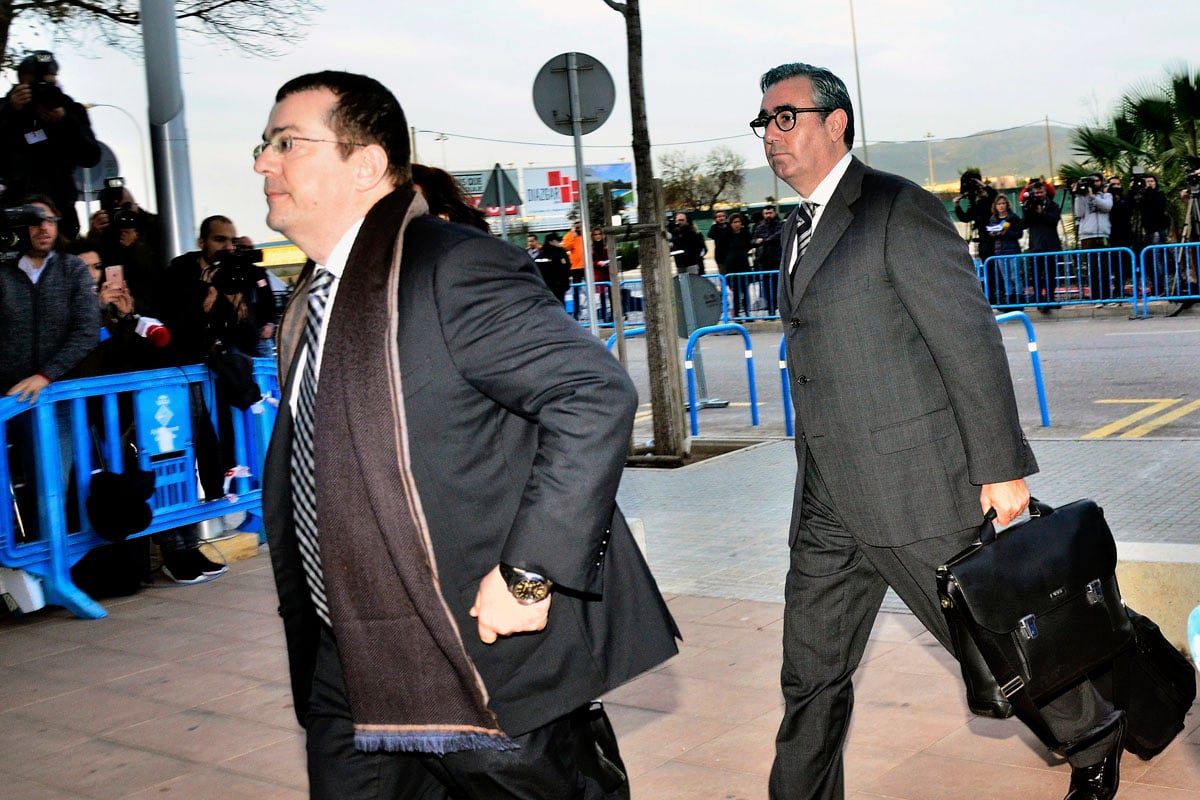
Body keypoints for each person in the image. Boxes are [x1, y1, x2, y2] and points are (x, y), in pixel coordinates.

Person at [254, 70, 678, 799]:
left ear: (366, 163)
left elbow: (593, 394)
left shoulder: (449, 267)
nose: (264, 162)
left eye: (287, 143)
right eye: (264, 145)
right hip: (350, 659)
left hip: (475, 657)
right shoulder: (315, 299)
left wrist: (529, 572)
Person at [755, 61, 1124, 800]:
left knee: (997, 649)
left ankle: (1095, 738)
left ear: (837, 123)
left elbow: (968, 341)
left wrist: (1001, 467)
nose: (770, 135)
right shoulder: (794, 230)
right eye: (763, 122)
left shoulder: (897, 208)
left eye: (785, 117)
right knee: (810, 670)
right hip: (828, 498)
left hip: (915, 486)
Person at [1, 198, 99, 538]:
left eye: (50, 220)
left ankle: (52, 569)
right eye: (33, 221)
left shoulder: (71, 268)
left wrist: (45, 376)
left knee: (52, 489)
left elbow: (87, 331)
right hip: (7, 399)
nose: (43, 227)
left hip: (54, 397)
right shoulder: (3, 269)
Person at [0, 51, 100, 238]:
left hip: (59, 209)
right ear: (21, 81)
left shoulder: (69, 110)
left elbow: (91, 156)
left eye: (49, 84)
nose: (43, 90)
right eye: (36, 85)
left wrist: (65, 122)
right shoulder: (5, 110)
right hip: (15, 208)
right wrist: (11, 113)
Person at [1021, 179, 1064, 312]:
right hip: (1036, 245)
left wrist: (1042, 213)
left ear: (1045, 192)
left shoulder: (1053, 205)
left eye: (1041, 192)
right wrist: (1029, 210)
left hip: (1051, 244)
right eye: (1036, 193)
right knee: (1036, 274)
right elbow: (1024, 224)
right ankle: (1039, 299)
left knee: (1050, 274)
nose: (1039, 195)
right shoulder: (1030, 206)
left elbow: (1054, 220)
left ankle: (1050, 298)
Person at [1073, 173, 1115, 304]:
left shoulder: (1106, 195)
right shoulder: (1082, 197)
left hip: (1103, 234)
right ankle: (1096, 297)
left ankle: (1107, 296)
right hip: (1088, 236)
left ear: (1101, 182)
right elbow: (1079, 213)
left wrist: (1092, 197)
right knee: (1093, 268)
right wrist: (1080, 196)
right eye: (1093, 181)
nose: (1095, 183)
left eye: (1097, 181)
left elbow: (1107, 207)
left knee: (1105, 266)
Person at [953, 171, 999, 263]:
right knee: (988, 269)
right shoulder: (977, 206)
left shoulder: (994, 202)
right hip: (984, 243)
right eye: (978, 190)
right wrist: (957, 206)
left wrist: (981, 184)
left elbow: (995, 195)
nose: (980, 191)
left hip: (996, 242)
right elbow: (965, 218)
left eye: (982, 189)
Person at [986, 194, 1024, 305]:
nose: (1001, 206)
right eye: (999, 204)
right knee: (1005, 277)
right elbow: (990, 234)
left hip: (1012, 250)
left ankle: (1019, 299)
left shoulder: (1013, 217)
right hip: (999, 251)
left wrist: (1007, 232)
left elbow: (1019, 234)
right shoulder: (993, 219)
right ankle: (1009, 300)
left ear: (1007, 205)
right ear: (995, 206)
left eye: (1003, 203)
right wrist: (993, 233)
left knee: (1014, 275)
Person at [718, 212, 754, 318]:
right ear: (731, 224)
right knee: (736, 292)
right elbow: (720, 252)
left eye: (738, 222)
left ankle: (747, 313)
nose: (737, 224)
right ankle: (737, 314)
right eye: (734, 222)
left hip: (744, 266)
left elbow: (750, 244)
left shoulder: (745, 233)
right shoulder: (726, 235)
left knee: (745, 291)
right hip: (732, 267)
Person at [751, 205, 783, 314]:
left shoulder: (780, 225)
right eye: (766, 213)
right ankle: (771, 310)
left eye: (770, 213)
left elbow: (778, 236)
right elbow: (753, 241)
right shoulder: (760, 227)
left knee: (779, 286)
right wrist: (756, 241)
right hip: (764, 261)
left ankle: (780, 309)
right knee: (766, 287)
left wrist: (764, 240)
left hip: (777, 260)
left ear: (774, 213)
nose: (768, 215)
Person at [534, 233, 571, 306]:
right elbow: (564, 268)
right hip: (557, 285)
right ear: (551, 242)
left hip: (544, 286)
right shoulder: (559, 253)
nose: (559, 242)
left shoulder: (540, 254)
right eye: (557, 241)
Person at [562, 219, 586, 318]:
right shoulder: (569, 235)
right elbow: (566, 247)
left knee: (591, 289)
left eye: (579, 223)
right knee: (576, 291)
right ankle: (576, 313)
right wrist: (573, 235)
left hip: (586, 266)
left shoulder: (585, 234)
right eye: (576, 223)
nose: (578, 225)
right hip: (575, 267)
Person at [590, 226, 612, 322]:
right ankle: (604, 317)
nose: (598, 236)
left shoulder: (606, 246)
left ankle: (612, 316)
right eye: (595, 234)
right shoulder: (591, 248)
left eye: (599, 234)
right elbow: (589, 262)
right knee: (601, 297)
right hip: (599, 274)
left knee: (612, 295)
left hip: (608, 273)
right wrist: (597, 263)